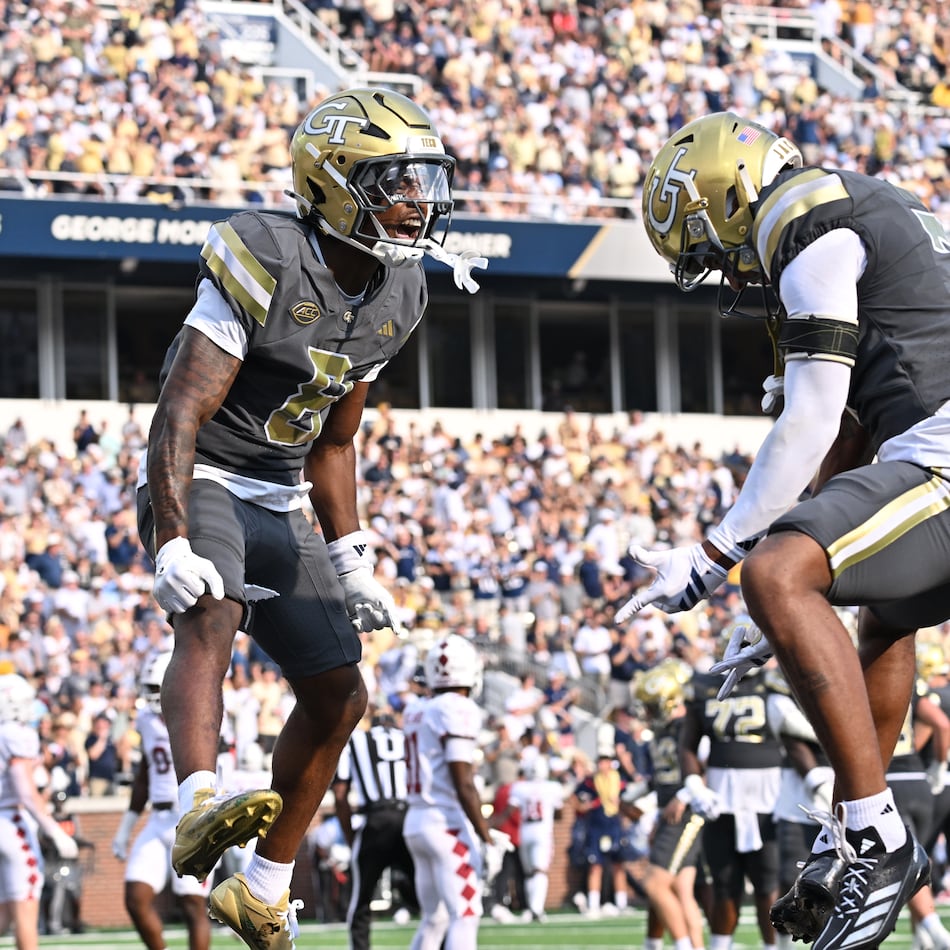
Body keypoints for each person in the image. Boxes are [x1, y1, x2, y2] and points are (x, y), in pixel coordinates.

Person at [135, 87, 484, 950]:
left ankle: (264, 886)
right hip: (208, 471)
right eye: (396, 182)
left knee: (341, 694)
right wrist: (173, 536)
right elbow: (180, 410)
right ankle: (197, 805)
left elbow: (336, 438)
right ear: (333, 185)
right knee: (211, 605)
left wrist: (354, 555)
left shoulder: (400, 288)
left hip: (284, 492)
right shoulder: (266, 252)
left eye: (422, 183)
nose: (418, 202)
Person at [627, 109, 950, 948]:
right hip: (925, 449)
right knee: (880, 612)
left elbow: (810, 419)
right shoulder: (856, 209)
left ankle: (877, 839)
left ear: (729, 203)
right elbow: (847, 452)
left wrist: (715, 561)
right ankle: (855, 831)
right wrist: (782, 597)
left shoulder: (806, 225)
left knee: (771, 573)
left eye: (709, 252)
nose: (726, 277)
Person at [402, 634, 513, 950]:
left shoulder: (417, 709)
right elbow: (463, 781)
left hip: (417, 821)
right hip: (445, 822)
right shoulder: (458, 708)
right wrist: (485, 835)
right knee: (465, 914)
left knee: (434, 918)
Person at [111, 652, 215, 950]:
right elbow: (144, 774)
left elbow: (222, 768)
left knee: (192, 904)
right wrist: (125, 829)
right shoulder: (145, 719)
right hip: (157, 819)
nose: (153, 697)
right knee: (135, 898)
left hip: (192, 817)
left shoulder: (199, 711)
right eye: (151, 689)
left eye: (157, 689)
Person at [0, 670, 79, 950]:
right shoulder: (15, 734)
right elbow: (24, 790)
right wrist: (54, 831)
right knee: (25, 907)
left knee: (5, 910)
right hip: (12, 822)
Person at [332, 711, 416, 950]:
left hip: (376, 821)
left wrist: (350, 836)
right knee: (429, 897)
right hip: (408, 818)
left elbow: (340, 795)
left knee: (360, 901)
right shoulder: (407, 738)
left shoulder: (356, 741)